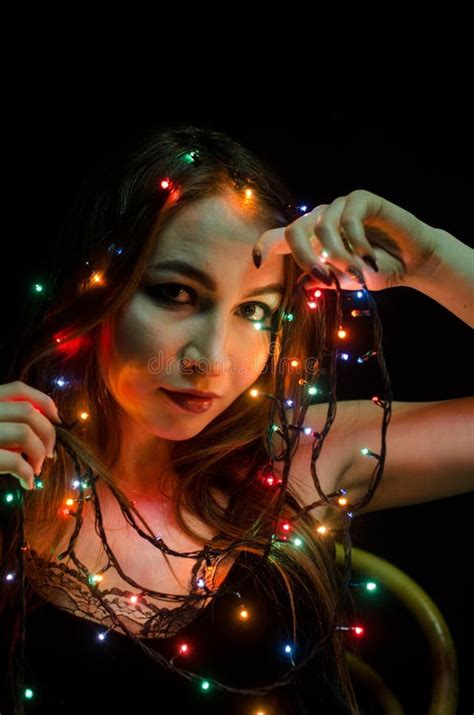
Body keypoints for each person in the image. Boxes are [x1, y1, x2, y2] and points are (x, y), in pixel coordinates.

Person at [0, 125, 473, 714]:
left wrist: (433, 259)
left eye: (254, 310)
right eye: (175, 293)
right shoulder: (18, 477)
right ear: (97, 286)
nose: (211, 358)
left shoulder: (298, 458)